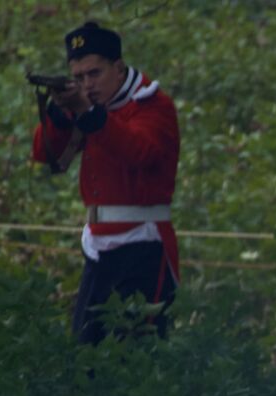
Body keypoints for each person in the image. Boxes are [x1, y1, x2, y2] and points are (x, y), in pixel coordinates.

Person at [30, 21, 180, 345]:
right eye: (80, 77)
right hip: (99, 248)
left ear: (118, 67)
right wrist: (58, 113)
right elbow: (45, 153)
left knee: (138, 354)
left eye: (94, 74)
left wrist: (88, 113)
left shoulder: (152, 105)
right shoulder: (90, 106)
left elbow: (140, 151)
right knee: (85, 355)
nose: (88, 84)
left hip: (144, 247)